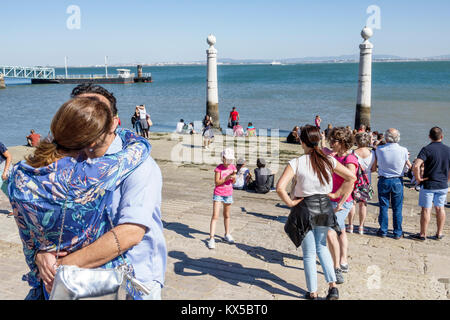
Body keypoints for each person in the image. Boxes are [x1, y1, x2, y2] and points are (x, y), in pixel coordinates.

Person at [8, 97, 152, 300]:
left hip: (52, 285)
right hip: (95, 282)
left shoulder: (18, 175)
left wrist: (40, 259)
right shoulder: (94, 173)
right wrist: (116, 127)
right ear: (92, 141)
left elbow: (27, 239)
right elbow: (141, 147)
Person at [36, 84, 167, 300]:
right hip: (79, 280)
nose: (88, 121)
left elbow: (130, 233)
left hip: (133, 278)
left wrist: (61, 266)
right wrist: (43, 252)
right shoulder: (66, 160)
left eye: (97, 113)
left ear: (115, 122)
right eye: (82, 113)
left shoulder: (139, 164)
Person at [276, 125, 356, 300]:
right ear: (318, 141)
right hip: (324, 207)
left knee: (309, 253)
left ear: (302, 142)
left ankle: (312, 292)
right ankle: (333, 287)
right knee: (322, 247)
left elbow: (280, 187)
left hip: (305, 209)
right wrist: (335, 194)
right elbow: (352, 177)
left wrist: (290, 202)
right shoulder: (329, 160)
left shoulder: (296, 163)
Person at [325, 127, 359, 284]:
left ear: (343, 143)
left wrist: (339, 202)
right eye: (330, 140)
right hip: (331, 200)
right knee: (340, 231)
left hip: (342, 202)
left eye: (334, 141)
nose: (331, 142)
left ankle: (336, 268)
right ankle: (344, 260)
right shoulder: (335, 156)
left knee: (330, 232)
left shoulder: (350, 160)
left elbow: (351, 182)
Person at [411, 127, 450, 241]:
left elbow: (416, 165)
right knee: (440, 208)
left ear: (429, 137)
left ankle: (423, 234)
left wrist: (418, 178)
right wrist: (447, 179)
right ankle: (439, 233)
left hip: (429, 185)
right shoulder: (448, 150)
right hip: (442, 184)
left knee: (426, 209)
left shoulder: (426, 149)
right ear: (442, 136)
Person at [372, 128, 410, 239]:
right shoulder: (403, 150)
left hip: (384, 179)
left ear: (386, 137)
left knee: (383, 206)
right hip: (397, 180)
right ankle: (397, 232)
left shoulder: (379, 149)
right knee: (397, 208)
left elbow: (375, 163)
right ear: (398, 137)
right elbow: (406, 164)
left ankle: (383, 230)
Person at [347, 132, 376, 235]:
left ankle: (350, 225)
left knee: (352, 204)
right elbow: (373, 169)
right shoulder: (373, 153)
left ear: (356, 141)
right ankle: (361, 227)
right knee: (363, 205)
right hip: (366, 181)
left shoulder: (352, 152)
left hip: (354, 180)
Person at [208, 148, 237, 249]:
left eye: (231, 160)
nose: (229, 162)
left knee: (227, 215)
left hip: (228, 194)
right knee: (215, 216)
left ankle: (227, 234)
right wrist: (226, 178)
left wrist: (234, 178)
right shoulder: (218, 168)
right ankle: (211, 238)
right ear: (223, 158)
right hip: (218, 194)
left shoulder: (232, 167)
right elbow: (217, 182)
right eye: (227, 160)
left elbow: (233, 183)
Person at [0, 141, 12, 209]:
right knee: (7, 190)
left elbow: (9, 156)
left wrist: (5, 171)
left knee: (8, 190)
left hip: (3, 168)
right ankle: (16, 208)